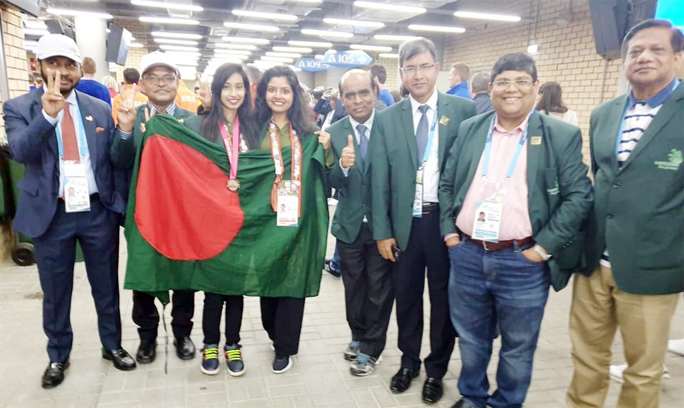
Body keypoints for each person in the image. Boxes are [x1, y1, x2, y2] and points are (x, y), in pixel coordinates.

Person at [439, 52, 592, 408]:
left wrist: (542, 249)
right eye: (504, 81)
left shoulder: (560, 135)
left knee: (518, 346)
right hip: (467, 253)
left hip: (522, 261)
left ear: (536, 89)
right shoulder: (471, 129)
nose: (512, 89)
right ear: (491, 88)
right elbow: (447, 185)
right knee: (471, 340)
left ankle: (506, 403)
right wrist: (450, 234)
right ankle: (473, 398)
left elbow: (579, 196)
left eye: (522, 81)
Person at [3, 34, 135, 389]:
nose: (62, 72)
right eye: (53, 63)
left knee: (105, 286)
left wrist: (124, 132)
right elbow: (20, 151)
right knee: (56, 290)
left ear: (78, 69)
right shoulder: (19, 107)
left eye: (69, 65)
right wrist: (47, 116)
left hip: (96, 211)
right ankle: (58, 354)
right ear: (39, 66)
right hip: (52, 214)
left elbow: (117, 162)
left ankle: (112, 345)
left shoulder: (99, 108)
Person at [567, 19, 684, 408]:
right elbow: (603, 182)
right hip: (594, 263)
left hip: (653, 267)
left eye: (656, 50)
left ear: (678, 58)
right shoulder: (605, 114)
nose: (644, 57)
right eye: (635, 51)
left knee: (643, 371)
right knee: (587, 361)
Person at [372, 37, 476, 404]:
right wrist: (383, 232)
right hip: (405, 226)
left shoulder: (463, 112)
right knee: (407, 297)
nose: (418, 74)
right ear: (402, 73)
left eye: (425, 66)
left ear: (438, 69)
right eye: (411, 68)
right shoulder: (386, 118)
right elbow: (379, 178)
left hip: (446, 226)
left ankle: (436, 370)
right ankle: (409, 361)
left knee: (444, 301)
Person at [112, 51, 197, 364]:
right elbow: (118, 162)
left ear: (177, 82)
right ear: (143, 83)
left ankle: (182, 333)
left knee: (185, 275)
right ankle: (146, 338)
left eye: (167, 77)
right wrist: (125, 131)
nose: (161, 83)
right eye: (153, 77)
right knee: (144, 274)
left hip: (182, 217)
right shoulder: (130, 118)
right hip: (143, 215)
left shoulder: (192, 121)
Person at [184, 63, 261, 377]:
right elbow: (191, 171)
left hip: (244, 220)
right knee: (214, 289)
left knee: (236, 289)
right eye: (227, 87)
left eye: (239, 86)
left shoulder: (254, 128)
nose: (234, 93)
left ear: (246, 90)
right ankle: (210, 343)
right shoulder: (201, 126)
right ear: (217, 91)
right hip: (211, 221)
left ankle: (234, 344)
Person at [254, 66, 330, 374]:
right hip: (263, 220)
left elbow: (324, 175)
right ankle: (274, 334)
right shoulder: (252, 130)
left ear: (294, 95)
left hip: (297, 219)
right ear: (264, 93)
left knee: (292, 281)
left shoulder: (310, 132)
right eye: (272, 89)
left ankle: (285, 346)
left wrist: (327, 152)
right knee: (268, 280)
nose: (278, 96)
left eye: (285, 90)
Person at [328, 69, 394, 376]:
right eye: (350, 95)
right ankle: (357, 334)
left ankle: (372, 347)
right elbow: (326, 180)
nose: (357, 100)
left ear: (375, 92)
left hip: (383, 225)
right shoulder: (334, 131)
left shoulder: (392, 126)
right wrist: (341, 165)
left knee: (379, 289)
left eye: (363, 93)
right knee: (353, 286)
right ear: (341, 99)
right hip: (350, 224)